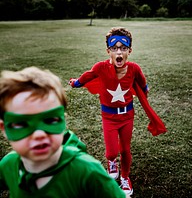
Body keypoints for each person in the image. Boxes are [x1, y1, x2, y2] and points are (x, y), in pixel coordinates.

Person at [0, 66, 128, 198]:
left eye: (50, 120)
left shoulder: (87, 171)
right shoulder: (8, 165)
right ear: (4, 129)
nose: (39, 134)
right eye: (21, 124)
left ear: (63, 121)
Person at [69, 27, 167, 196]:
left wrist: (145, 90)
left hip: (127, 116)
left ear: (130, 50)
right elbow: (89, 75)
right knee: (112, 152)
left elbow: (143, 83)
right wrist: (77, 82)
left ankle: (125, 178)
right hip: (108, 117)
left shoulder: (134, 68)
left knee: (125, 149)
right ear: (108, 51)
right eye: (114, 48)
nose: (119, 52)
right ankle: (112, 162)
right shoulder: (101, 67)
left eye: (123, 48)